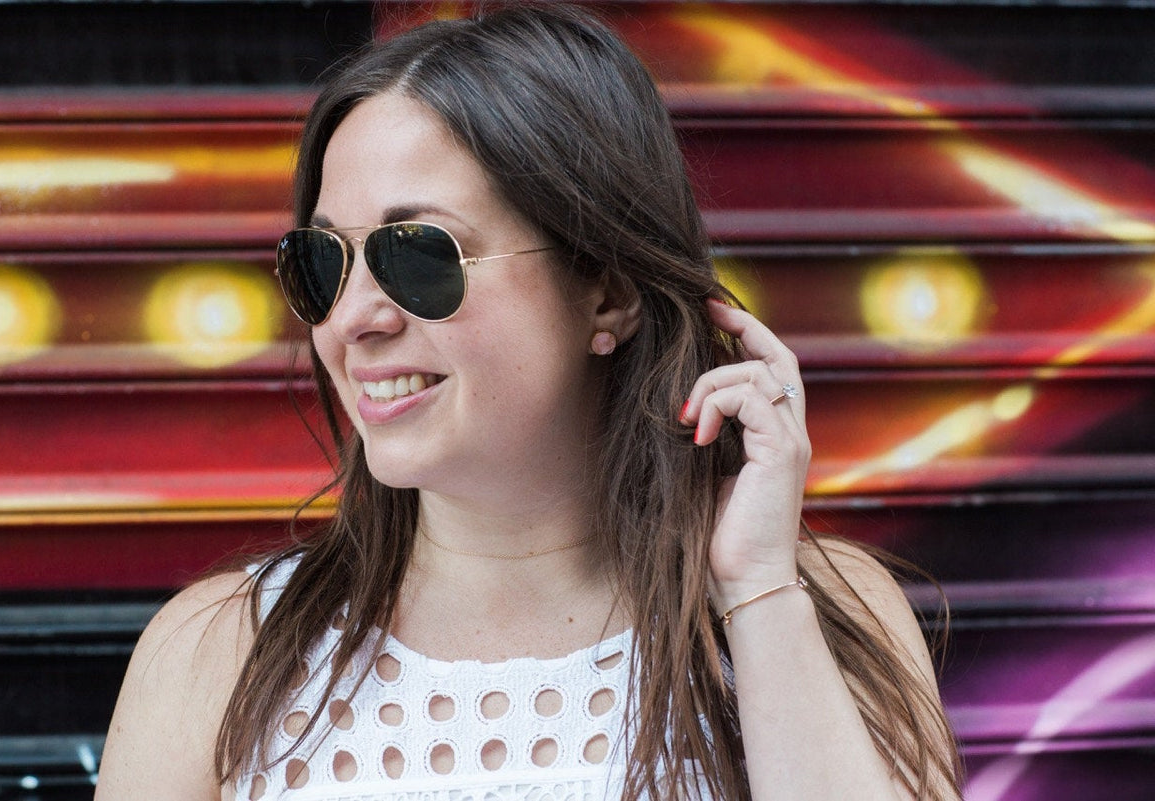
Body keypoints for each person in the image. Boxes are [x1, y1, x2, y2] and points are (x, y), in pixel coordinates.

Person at [96, 6, 962, 800]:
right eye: (322, 263)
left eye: (418, 255)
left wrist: (760, 594)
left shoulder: (819, 612)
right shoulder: (219, 652)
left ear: (607, 291)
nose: (353, 320)